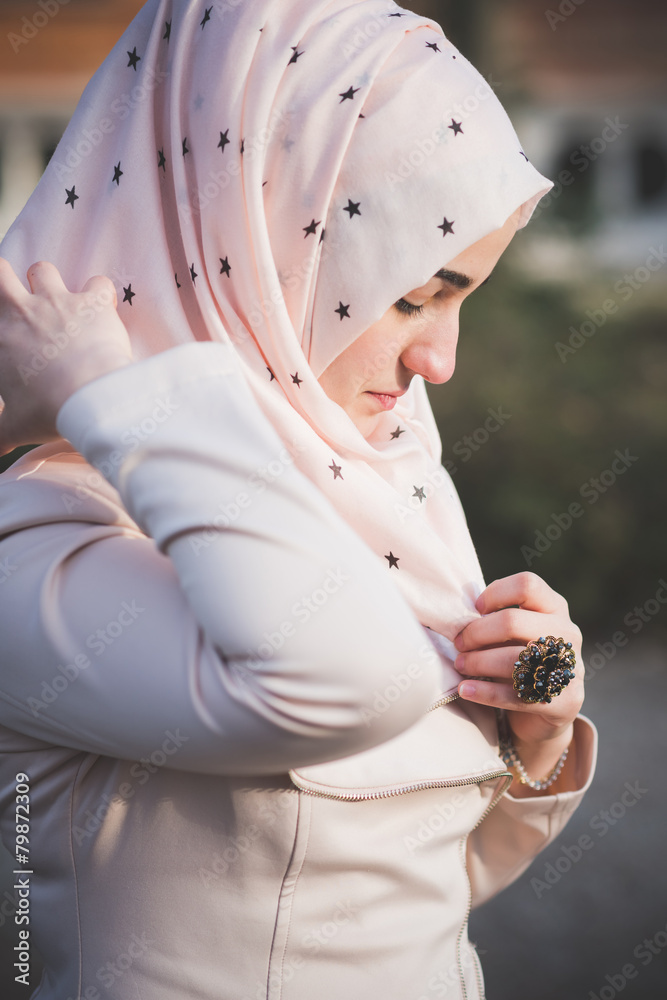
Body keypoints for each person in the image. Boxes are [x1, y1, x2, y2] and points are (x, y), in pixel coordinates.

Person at [0, 1, 597, 998]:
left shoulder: (361, 481)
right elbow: (352, 683)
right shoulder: (46, 538)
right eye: (414, 294)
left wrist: (532, 733)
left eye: (462, 298)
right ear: (261, 240)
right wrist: (114, 391)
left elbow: (420, 891)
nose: (440, 360)